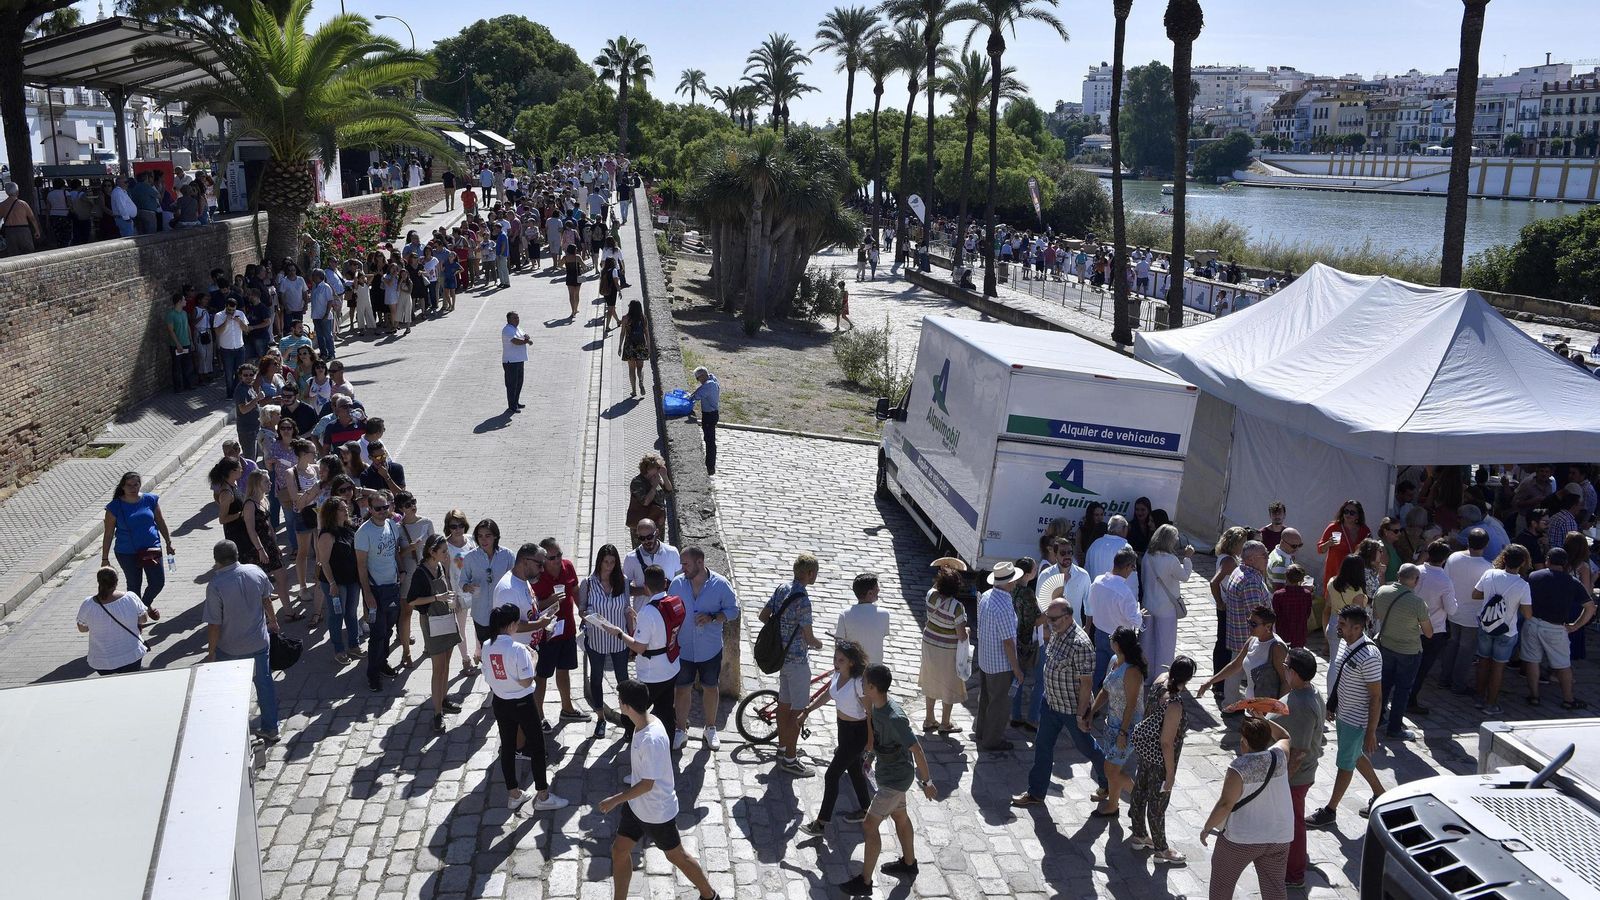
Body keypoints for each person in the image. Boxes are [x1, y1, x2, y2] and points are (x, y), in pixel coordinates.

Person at [598, 679, 720, 900]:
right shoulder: (646, 721)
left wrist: (615, 800)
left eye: (619, 701)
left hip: (656, 813)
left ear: (625, 706)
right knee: (619, 850)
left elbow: (648, 784)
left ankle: (709, 895)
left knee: (677, 856)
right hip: (637, 807)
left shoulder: (650, 739)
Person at [836, 663, 937, 898]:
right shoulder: (876, 708)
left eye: (864, 682)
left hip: (895, 780)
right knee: (900, 816)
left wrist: (928, 782)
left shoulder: (894, 717)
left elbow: (917, 750)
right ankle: (909, 864)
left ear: (872, 687)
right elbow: (880, 740)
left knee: (869, 825)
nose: (860, 684)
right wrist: (871, 757)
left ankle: (865, 881)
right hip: (889, 775)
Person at [1012, 596, 1105, 807]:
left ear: (1068, 617)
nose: (1050, 623)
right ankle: (1036, 793)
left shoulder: (1081, 644)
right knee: (1042, 747)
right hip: (1051, 703)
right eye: (1048, 618)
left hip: (1072, 709)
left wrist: (1082, 714)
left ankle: (1108, 781)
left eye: (1054, 619)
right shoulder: (1056, 632)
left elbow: (1086, 683)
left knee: (1087, 748)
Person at [482, 605, 569, 812]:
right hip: (522, 702)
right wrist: (534, 660)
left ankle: (514, 794)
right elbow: (526, 681)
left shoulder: (486, 645)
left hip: (500, 701)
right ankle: (543, 795)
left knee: (508, 747)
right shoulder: (518, 649)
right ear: (512, 625)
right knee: (538, 747)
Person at [1305, 604, 1386, 829]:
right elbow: (1341, 676)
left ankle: (1330, 810)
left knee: (1345, 763)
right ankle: (1380, 794)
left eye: (1342, 624)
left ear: (1358, 628)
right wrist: (1333, 704)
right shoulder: (1344, 642)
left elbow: (1376, 697)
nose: (1336, 627)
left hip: (1356, 720)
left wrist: (1371, 731)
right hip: (1344, 713)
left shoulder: (1369, 656)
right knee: (1354, 755)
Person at [1202, 716, 1296, 900]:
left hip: (1242, 839)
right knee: (1274, 889)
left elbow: (1225, 804)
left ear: (1244, 741)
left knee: (1222, 886)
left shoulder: (1239, 767)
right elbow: (1285, 736)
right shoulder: (1279, 756)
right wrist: (1262, 718)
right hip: (1279, 836)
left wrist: (1207, 828)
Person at [203, 540, 280, 743]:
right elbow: (267, 600)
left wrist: (211, 653)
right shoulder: (255, 571)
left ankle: (235, 732)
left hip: (230, 648)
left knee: (230, 691)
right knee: (265, 685)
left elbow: (214, 624)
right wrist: (273, 622)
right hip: (258, 642)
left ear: (216, 560)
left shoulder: (216, 585)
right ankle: (272, 727)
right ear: (237, 554)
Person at [758, 553, 825, 774]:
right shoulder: (803, 601)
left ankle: (782, 747)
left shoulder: (781, 588)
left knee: (783, 706)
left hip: (781, 659)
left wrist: (781, 633)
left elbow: (763, 615)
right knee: (798, 710)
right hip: (797, 661)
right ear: (809, 573)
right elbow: (808, 637)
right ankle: (790, 758)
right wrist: (819, 644)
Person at [668, 547, 738, 750]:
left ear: (700, 563)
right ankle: (680, 730)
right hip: (684, 650)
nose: (682, 568)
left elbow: (733, 610)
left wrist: (714, 618)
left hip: (710, 649)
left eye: (686, 564)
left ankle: (710, 728)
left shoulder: (720, 585)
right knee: (682, 690)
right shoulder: (677, 584)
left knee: (710, 688)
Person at [800, 641, 873, 836]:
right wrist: (808, 710)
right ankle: (867, 809)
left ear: (851, 662)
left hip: (857, 734)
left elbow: (870, 712)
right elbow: (828, 695)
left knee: (832, 775)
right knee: (855, 769)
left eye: (841, 660)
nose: (836, 662)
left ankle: (821, 823)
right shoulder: (837, 675)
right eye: (835, 658)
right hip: (843, 728)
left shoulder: (858, 682)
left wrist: (870, 740)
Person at [1128, 655, 1194, 865]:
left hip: (1146, 751)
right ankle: (1161, 849)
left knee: (1139, 792)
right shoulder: (1174, 705)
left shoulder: (1160, 680)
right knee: (1157, 804)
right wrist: (1171, 774)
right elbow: (1167, 742)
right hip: (1161, 759)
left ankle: (1139, 835)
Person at [1270, 649, 1325, 889]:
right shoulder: (1307, 692)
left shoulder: (1302, 704)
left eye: (1285, 665)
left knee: (1294, 823)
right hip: (1293, 774)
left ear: (1293, 672)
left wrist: (1281, 781)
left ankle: (1294, 873)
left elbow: (1300, 751)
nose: (1283, 668)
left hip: (1294, 777)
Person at [1521, 547, 1594, 710]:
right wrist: (1576, 625)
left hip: (1532, 622)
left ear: (1548, 560)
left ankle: (1534, 696)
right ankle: (1568, 699)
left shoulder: (1534, 576)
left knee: (1532, 661)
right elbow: (1590, 607)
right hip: (1555, 628)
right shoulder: (1572, 582)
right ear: (1565, 564)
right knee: (1562, 665)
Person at [1087, 626, 1147, 817]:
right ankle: (1113, 805)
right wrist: (1092, 712)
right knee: (1114, 769)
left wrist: (1123, 733)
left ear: (1118, 645)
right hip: (1111, 723)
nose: (1110, 639)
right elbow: (1105, 690)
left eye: (1112, 638)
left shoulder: (1132, 672)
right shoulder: (1114, 661)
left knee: (1110, 769)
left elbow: (1130, 705)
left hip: (1128, 729)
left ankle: (1140, 798)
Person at [408, 535, 464, 732]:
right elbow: (412, 600)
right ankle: (437, 713)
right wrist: (436, 597)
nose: (446, 555)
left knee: (447, 662)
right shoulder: (420, 573)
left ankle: (443, 698)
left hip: (445, 618)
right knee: (437, 668)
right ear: (432, 552)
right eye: (443, 552)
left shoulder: (439, 567)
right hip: (432, 623)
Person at [101, 471, 174, 622]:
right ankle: (136, 617)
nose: (133, 488)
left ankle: (143, 607)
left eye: (136, 484)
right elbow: (108, 534)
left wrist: (168, 542)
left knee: (157, 582)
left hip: (151, 549)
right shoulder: (114, 507)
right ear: (122, 487)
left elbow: (160, 521)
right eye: (129, 485)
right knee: (134, 585)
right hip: (127, 552)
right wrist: (105, 558)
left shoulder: (150, 499)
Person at [1372, 563, 1432, 740]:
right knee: (1402, 691)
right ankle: (1395, 728)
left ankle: (1377, 720)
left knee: (1383, 685)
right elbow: (1428, 633)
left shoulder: (1382, 591)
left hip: (1386, 646)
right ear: (1415, 580)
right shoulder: (1417, 603)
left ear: (1398, 575)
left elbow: (1376, 615)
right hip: (1409, 652)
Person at [579, 543, 632, 737]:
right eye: (605, 562)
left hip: (619, 640)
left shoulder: (623, 581)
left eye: (612, 562)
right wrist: (589, 615)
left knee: (623, 679)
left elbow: (626, 609)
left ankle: (628, 721)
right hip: (597, 639)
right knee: (596, 678)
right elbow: (581, 610)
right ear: (599, 562)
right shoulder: (588, 583)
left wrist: (631, 636)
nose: (608, 566)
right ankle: (601, 718)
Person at [975, 560, 1028, 752]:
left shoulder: (987, 596)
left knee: (986, 699)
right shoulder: (1005, 605)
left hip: (985, 658)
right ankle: (992, 740)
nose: (1015, 583)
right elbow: (1008, 642)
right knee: (999, 704)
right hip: (1000, 665)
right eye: (1013, 580)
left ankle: (981, 732)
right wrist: (1016, 668)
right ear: (1007, 583)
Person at [1472, 544, 1531, 715]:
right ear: (1522, 563)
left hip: (1485, 626)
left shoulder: (1490, 573)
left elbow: (1475, 594)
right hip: (1507, 630)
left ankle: (1478, 697)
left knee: (1483, 662)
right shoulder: (1522, 585)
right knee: (1498, 668)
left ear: (1503, 558)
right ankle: (1491, 704)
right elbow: (1527, 614)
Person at [531, 537, 584, 723]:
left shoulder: (568, 566)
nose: (557, 560)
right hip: (547, 634)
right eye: (551, 557)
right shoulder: (536, 576)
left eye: (559, 555)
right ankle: (538, 715)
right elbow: (534, 607)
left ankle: (567, 708)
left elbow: (576, 591)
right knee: (542, 676)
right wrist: (550, 600)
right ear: (543, 559)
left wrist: (583, 611)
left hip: (567, 629)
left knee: (564, 670)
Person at [355, 490, 402, 692]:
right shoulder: (363, 533)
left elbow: (395, 552)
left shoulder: (392, 525)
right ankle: (372, 674)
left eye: (386, 507)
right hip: (375, 589)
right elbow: (361, 566)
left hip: (392, 587)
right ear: (370, 509)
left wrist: (403, 571)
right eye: (378, 508)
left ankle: (382, 662)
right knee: (377, 634)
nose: (383, 511)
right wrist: (367, 594)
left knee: (389, 629)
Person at [1439, 528, 1492, 694]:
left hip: (1454, 609)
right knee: (1466, 650)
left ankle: (1444, 678)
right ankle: (1458, 684)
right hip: (1472, 615)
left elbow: (1445, 580)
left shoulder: (1453, 558)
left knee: (1453, 643)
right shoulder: (1487, 567)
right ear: (1486, 545)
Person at [1220, 541, 1273, 708]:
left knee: (1235, 670)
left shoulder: (1240, 570)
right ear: (1250, 559)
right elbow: (1258, 614)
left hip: (1238, 631)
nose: (1267, 557)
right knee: (1253, 672)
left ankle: (1231, 702)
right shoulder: (1250, 580)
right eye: (1264, 555)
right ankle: (1247, 705)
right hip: (1250, 636)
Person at [1199, 605, 1289, 702]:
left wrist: (1277, 711)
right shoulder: (1252, 639)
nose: (1249, 626)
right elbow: (1235, 665)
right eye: (1249, 622)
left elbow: (1286, 682)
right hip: (1250, 704)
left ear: (1268, 626)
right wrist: (1210, 682)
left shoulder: (1277, 647)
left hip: (1267, 708)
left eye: (1253, 624)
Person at [1408, 541, 1458, 713]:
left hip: (1409, 625)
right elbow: (1451, 609)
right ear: (1444, 559)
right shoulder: (1445, 581)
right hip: (1433, 630)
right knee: (1421, 668)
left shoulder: (1416, 572)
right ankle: (1410, 700)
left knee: (1406, 663)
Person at [918, 564, 968, 734]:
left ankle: (929, 718)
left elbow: (934, 588)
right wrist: (967, 631)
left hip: (929, 644)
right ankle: (945, 722)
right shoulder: (957, 607)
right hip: (948, 650)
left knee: (931, 679)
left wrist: (943, 571)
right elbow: (961, 635)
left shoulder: (931, 596)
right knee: (949, 684)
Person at [1141, 524, 1193, 680]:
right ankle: (1161, 678)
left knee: (1146, 644)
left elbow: (1143, 579)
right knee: (1165, 645)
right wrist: (1188, 558)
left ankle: (1146, 676)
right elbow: (1184, 576)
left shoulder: (1147, 556)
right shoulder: (1171, 560)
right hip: (1166, 608)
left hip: (1148, 605)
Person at [316, 498, 365, 665]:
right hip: (336, 582)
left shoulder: (349, 528)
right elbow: (325, 562)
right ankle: (338, 649)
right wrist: (332, 584)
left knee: (351, 613)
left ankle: (354, 645)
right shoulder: (327, 535)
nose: (347, 511)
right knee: (337, 615)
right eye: (342, 509)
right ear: (333, 513)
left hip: (352, 580)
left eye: (346, 508)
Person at [1085, 547, 1140, 690]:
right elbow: (1135, 620)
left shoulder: (1097, 581)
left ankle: (1091, 703)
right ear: (1128, 567)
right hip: (1120, 639)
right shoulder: (1125, 592)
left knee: (1099, 671)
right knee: (1119, 675)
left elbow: (1091, 603)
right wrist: (1139, 612)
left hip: (1100, 633)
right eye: (1133, 567)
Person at [76, 566, 148, 675]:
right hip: (131, 655)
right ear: (117, 582)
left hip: (102, 661)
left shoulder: (88, 604)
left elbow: (82, 628)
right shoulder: (130, 597)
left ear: (99, 582)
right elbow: (144, 619)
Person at [462, 518, 516, 648]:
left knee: (504, 650)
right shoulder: (470, 557)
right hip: (481, 613)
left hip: (503, 613)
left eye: (488, 536)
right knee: (487, 651)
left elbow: (516, 580)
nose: (483, 540)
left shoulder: (507, 555)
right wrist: (467, 587)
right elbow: (462, 581)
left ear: (495, 536)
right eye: (480, 536)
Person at [1318, 500, 1371, 600]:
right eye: (1346, 511)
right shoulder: (1333, 527)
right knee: (1333, 603)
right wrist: (1328, 543)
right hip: (1335, 572)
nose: (1348, 514)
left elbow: (1369, 551)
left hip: (1355, 573)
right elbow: (1320, 549)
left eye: (1352, 512)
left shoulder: (1364, 530)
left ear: (1358, 516)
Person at [836, 572, 892, 665]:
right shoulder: (885, 614)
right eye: (876, 587)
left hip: (852, 666)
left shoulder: (844, 614)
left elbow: (839, 643)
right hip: (874, 668)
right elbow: (882, 634)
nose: (879, 589)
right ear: (870, 593)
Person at [623, 518, 682, 593]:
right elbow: (623, 587)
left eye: (649, 537)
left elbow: (681, 582)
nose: (646, 541)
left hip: (668, 604)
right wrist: (643, 591)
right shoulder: (630, 558)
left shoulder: (672, 552)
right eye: (642, 538)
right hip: (643, 605)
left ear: (657, 532)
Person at [625, 457, 673, 542]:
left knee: (658, 549)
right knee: (642, 551)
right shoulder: (637, 482)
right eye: (657, 467)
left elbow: (668, 491)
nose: (660, 469)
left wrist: (665, 476)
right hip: (642, 525)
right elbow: (645, 502)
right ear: (648, 469)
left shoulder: (655, 477)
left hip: (657, 522)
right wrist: (654, 486)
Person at [687, 366, 721, 476]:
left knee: (709, 441)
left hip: (709, 415)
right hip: (713, 414)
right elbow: (699, 390)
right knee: (710, 440)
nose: (698, 381)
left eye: (698, 378)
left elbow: (697, 396)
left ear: (703, 376)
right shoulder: (712, 379)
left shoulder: (708, 385)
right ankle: (710, 465)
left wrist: (688, 398)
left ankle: (710, 467)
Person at [618, 300, 651, 397]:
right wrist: (648, 347)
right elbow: (647, 334)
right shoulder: (643, 318)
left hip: (629, 345)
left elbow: (622, 333)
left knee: (631, 369)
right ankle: (641, 381)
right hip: (641, 345)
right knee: (640, 368)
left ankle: (634, 391)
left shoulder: (625, 318)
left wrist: (620, 346)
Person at [501, 311, 530, 413]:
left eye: (518, 317)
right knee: (512, 384)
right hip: (510, 361)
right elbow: (515, 341)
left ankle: (516, 402)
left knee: (519, 383)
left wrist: (527, 337)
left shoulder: (518, 328)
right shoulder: (507, 330)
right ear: (509, 319)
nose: (517, 319)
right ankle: (512, 405)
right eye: (514, 318)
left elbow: (523, 336)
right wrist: (526, 341)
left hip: (519, 359)